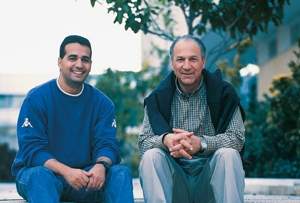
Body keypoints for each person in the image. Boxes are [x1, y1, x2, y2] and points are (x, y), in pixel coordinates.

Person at [11, 35, 134, 203]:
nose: (79, 65)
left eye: (85, 59)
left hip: (86, 178)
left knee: (121, 173)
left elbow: (107, 144)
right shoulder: (37, 98)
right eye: (72, 58)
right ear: (59, 62)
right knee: (39, 176)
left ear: (90, 64)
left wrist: (101, 166)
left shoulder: (102, 103)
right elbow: (32, 150)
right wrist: (67, 172)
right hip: (45, 176)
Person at [138, 35, 245, 203]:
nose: (186, 66)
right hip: (174, 180)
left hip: (210, 178)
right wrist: (167, 140)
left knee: (229, 155)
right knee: (151, 156)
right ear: (172, 63)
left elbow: (237, 138)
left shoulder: (224, 93)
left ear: (203, 61)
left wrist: (201, 144)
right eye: (180, 59)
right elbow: (144, 142)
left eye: (193, 59)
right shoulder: (157, 98)